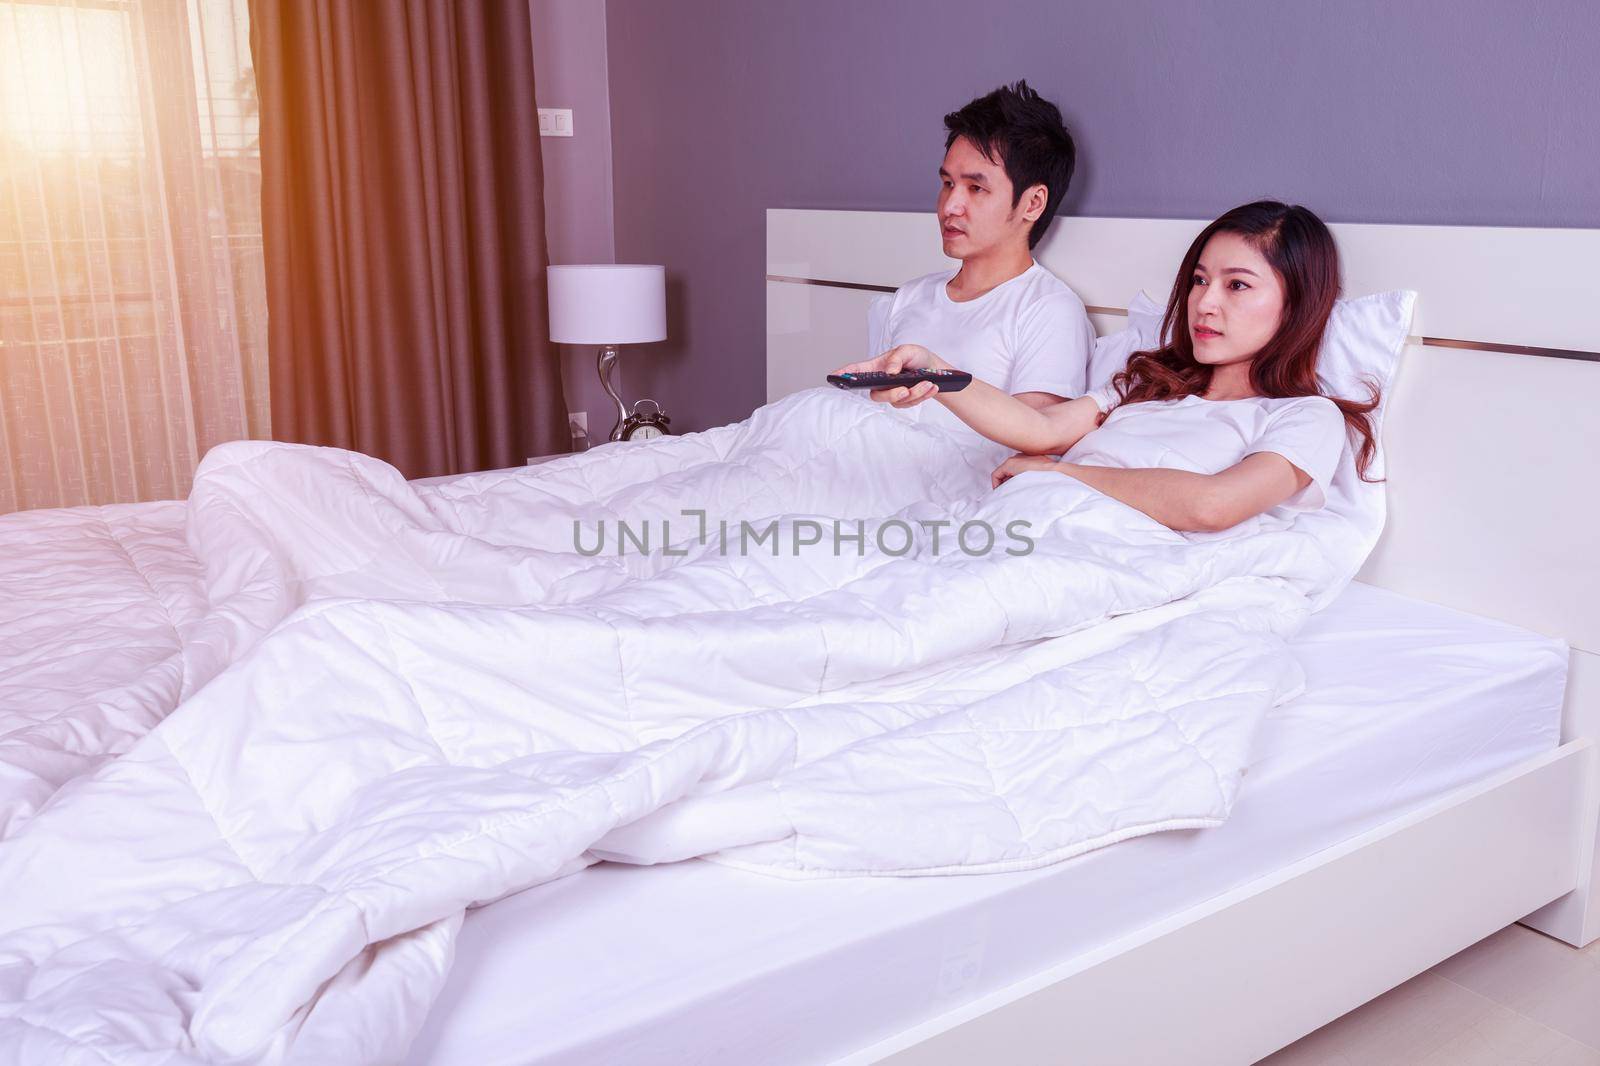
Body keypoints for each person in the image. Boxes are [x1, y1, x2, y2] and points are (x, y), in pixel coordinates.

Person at [835, 201, 1381, 534]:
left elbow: (1215, 505)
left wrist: (1061, 473)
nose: (1204, 303)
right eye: (1198, 280)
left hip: (1097, 545)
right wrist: (939, 373)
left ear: (1298, 302)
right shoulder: (1148, 381)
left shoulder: (1305, 418)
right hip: (1022, 523)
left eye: (1237, 285)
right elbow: (1041, 429)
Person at [883, 80, 1094, 413]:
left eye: (976, 188)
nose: (949, 206)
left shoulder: (1049, 310)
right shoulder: (909, 298)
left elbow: (1032, 446)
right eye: (948, 184)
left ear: (1033, 203)